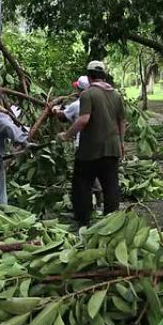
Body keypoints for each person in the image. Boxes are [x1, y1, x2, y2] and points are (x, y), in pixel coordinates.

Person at [60, 61, 125, 226]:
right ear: (104, 76)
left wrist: (66, 135)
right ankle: (111, 220)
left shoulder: (88, 94)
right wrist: (121, 143)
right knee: (110, 184)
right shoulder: (116, 95)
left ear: (89, 77)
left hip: (90, 149)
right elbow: (121, 121)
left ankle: (83, 218)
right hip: (112, 147)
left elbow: (83, 120)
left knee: (81, 183)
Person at [52, 76, 104, 208]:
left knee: (84, 174)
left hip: (83, 144)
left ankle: (89, 202)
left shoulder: (76, 105)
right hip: (99, 142)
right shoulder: (100, 102)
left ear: (80, 90)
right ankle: (97, 198)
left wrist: (55, 110)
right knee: (95, 170)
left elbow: (62, 115)